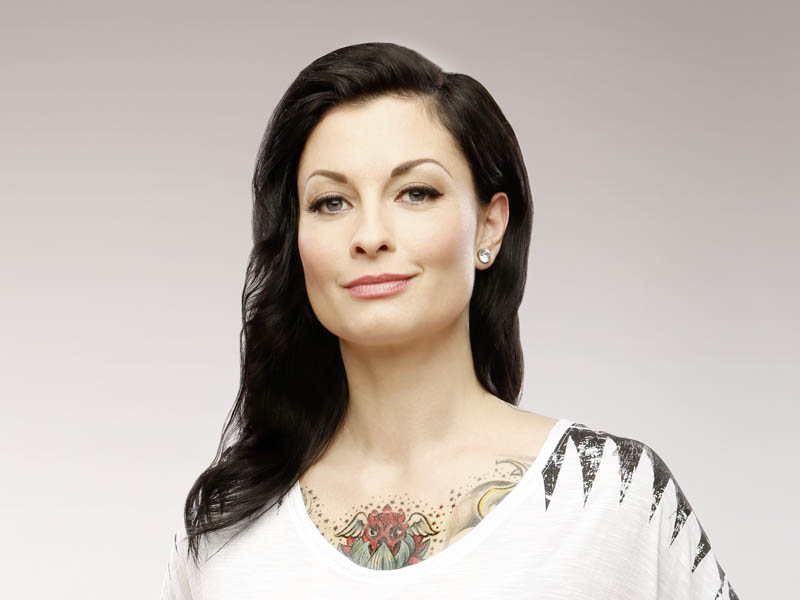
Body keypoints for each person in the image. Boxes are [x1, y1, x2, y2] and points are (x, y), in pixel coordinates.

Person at [160, 42, 738, 599]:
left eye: (415, 192)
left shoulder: (609, 495)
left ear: (490, 225)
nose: (369, 236)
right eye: (331, 202)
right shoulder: (223, 530)